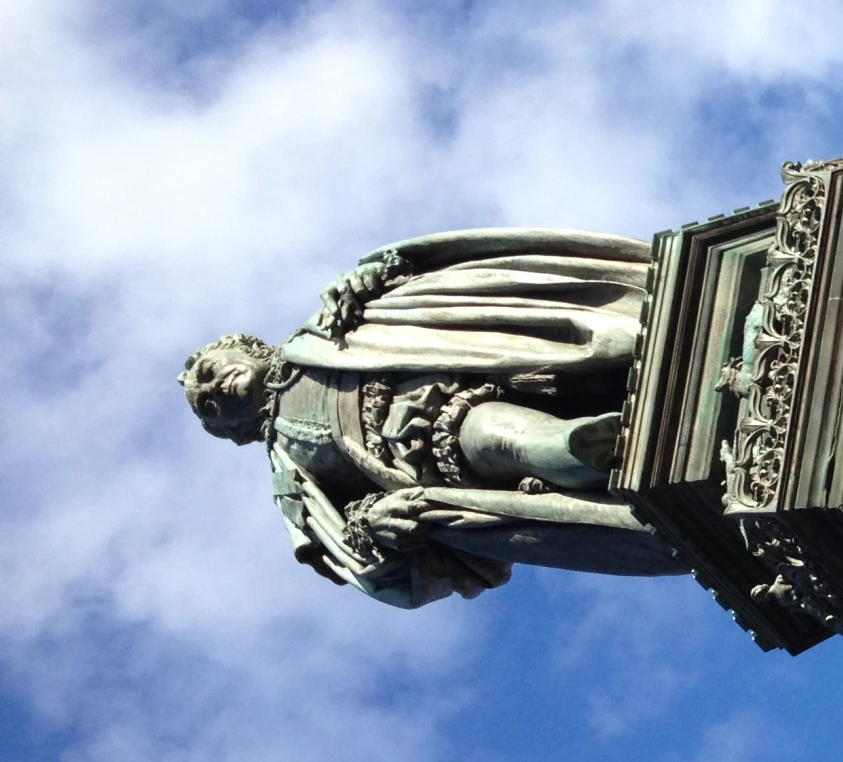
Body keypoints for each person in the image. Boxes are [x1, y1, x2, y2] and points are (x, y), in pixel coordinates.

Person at [180, 228, 678, 607]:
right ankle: (598, 448)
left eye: (209, 371)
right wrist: (372, 526)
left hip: (464, 363)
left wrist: (371, 277)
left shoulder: (321, 330)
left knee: (521, 426)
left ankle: (616, 424)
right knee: (512, 442)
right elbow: (373, 570)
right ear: (229, 430)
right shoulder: (293, 481)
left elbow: (403, 273)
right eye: (207, 405)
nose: (214, 389)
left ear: (245, 347)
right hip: (432, 447)